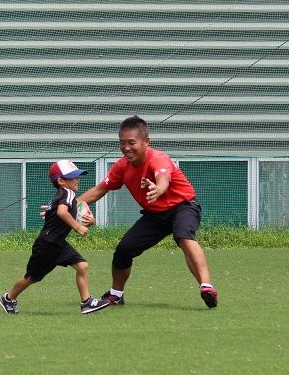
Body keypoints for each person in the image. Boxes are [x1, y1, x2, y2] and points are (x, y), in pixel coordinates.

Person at [78, 115, 219, 309]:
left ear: (146, 141)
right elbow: (100, 189)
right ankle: (116, 295)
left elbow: (164, 179)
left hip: (183, 206)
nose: (126, 148)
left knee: (183, 235)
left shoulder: (158, 159)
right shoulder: (122, 166)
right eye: (122, 143)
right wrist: (66, 204)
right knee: (124, 250)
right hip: (155, 215)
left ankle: (206, 286)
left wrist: (158, 189)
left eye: (131, 143)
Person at [0, 160, 110, 315]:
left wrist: (89, 222)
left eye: (78, 176)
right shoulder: (67, 193)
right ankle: (8, 298)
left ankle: (87, 303)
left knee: (82, 266)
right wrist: (77, 227)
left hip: (58, 243)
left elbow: (65, 215)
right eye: (73, 177)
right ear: (61, 181)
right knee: (32, 277)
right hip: (47, 245)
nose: (77, 179)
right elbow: (62, 213)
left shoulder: (63, 196)